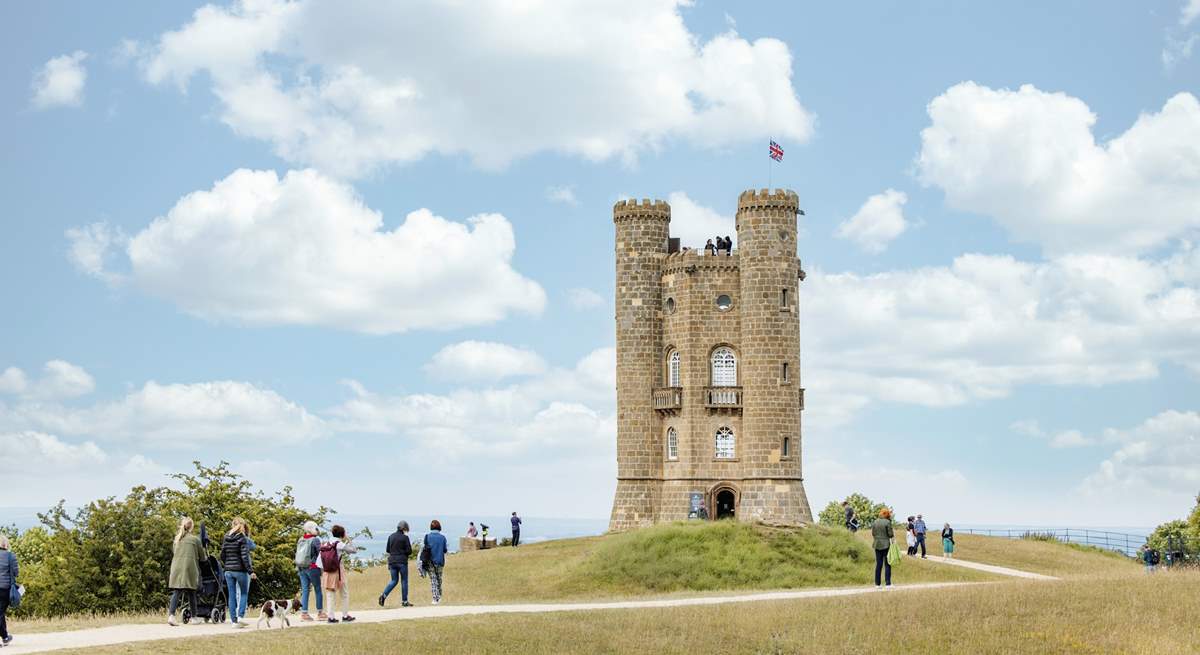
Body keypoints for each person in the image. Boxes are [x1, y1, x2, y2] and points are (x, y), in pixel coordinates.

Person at [167, 517, 204, 626]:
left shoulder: (176, 539)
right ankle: (194, 617)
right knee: (191, 591)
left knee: (177, 591)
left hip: (176, 567)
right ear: (191, 527)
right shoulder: (195, 540)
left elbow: (175, 552)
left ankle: (171, 615)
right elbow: (202, 557)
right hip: (189, 567)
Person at [321, 524, 361, 623]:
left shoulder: (326, 543)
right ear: (342, 534)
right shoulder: (339, 544)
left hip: (327, 572)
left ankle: (331, 617)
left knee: (330, 595)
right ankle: (345, 615)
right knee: (344, 593)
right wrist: (349, 539)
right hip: (338, 571)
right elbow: (353, 550)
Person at [220, 517, 254, 628]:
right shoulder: (242, 538)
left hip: (228, 571)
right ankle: (240, 617)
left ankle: (234, 622)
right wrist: (250, 571)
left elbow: (222, 555)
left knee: (231, 595)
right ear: (242, 527)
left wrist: (227, 565)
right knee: (244, 593)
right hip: (240, 571)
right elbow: (244, 556)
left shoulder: (226, 536)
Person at [295, 520, 324, 621]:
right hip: (312, 567)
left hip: (301, 567)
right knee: (318, 589)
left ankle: (304, 613)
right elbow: (321, 552)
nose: (317, 530)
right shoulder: (315, 540)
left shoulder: (301, 539)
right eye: (316, 528)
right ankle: (320, 613)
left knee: (305, 590)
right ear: (312, 529)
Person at [379, 521, 413, 608]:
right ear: (404, 528)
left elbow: (387, 550)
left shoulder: (391, 536)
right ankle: (404, 601)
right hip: (402, 561)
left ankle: (383, 595)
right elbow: (409, 551)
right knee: (404, 581)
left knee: (394, 580)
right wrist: (403, 552)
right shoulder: (405, 538)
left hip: (392, 561)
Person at [423, 520, 449, 605]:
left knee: (433, 580)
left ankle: (435, 598)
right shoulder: (443, 538)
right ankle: (439, 596)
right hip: (440, 561)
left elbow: (425, 549)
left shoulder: (427, 537)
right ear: (439, 527)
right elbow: (445, 550)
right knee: (439, 579)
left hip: (430, 561)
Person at [0, 533, 18, 647]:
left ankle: (5, 636)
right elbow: (16, 573)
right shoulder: (11, 556)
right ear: (5, 543)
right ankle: (5, 636)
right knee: (0, 613)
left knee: (0, 613)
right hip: (5, 589)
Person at [871, 508, 895, 589]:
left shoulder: (875, 521)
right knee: (887, 564)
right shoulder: (887, 522)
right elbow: (890, 534)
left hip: (877, 544)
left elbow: (873, 533)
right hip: (886, 545)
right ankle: (888, 584)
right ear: (887, 514)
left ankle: (877, 584)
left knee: (878, 564)